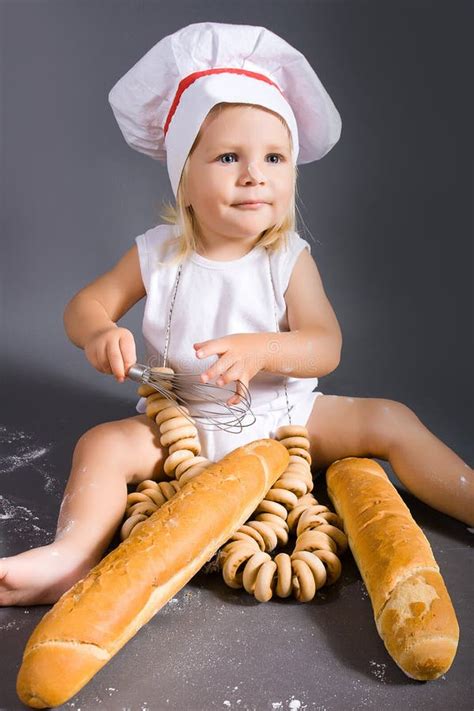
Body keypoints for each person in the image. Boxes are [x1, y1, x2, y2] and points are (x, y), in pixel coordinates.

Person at [1, 22, 472, 607]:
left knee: (391, 420)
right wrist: (98, 331)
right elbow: (85, 305)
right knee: (101, 444)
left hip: (287, 415)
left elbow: (326, 344)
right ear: (184, 180)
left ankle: (468, 496)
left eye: (275, 157)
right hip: (184, 422)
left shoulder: (287, 258)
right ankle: (69, 559)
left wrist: (265, 350)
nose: (255, 174)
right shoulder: (157, 252)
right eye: (229, 156)